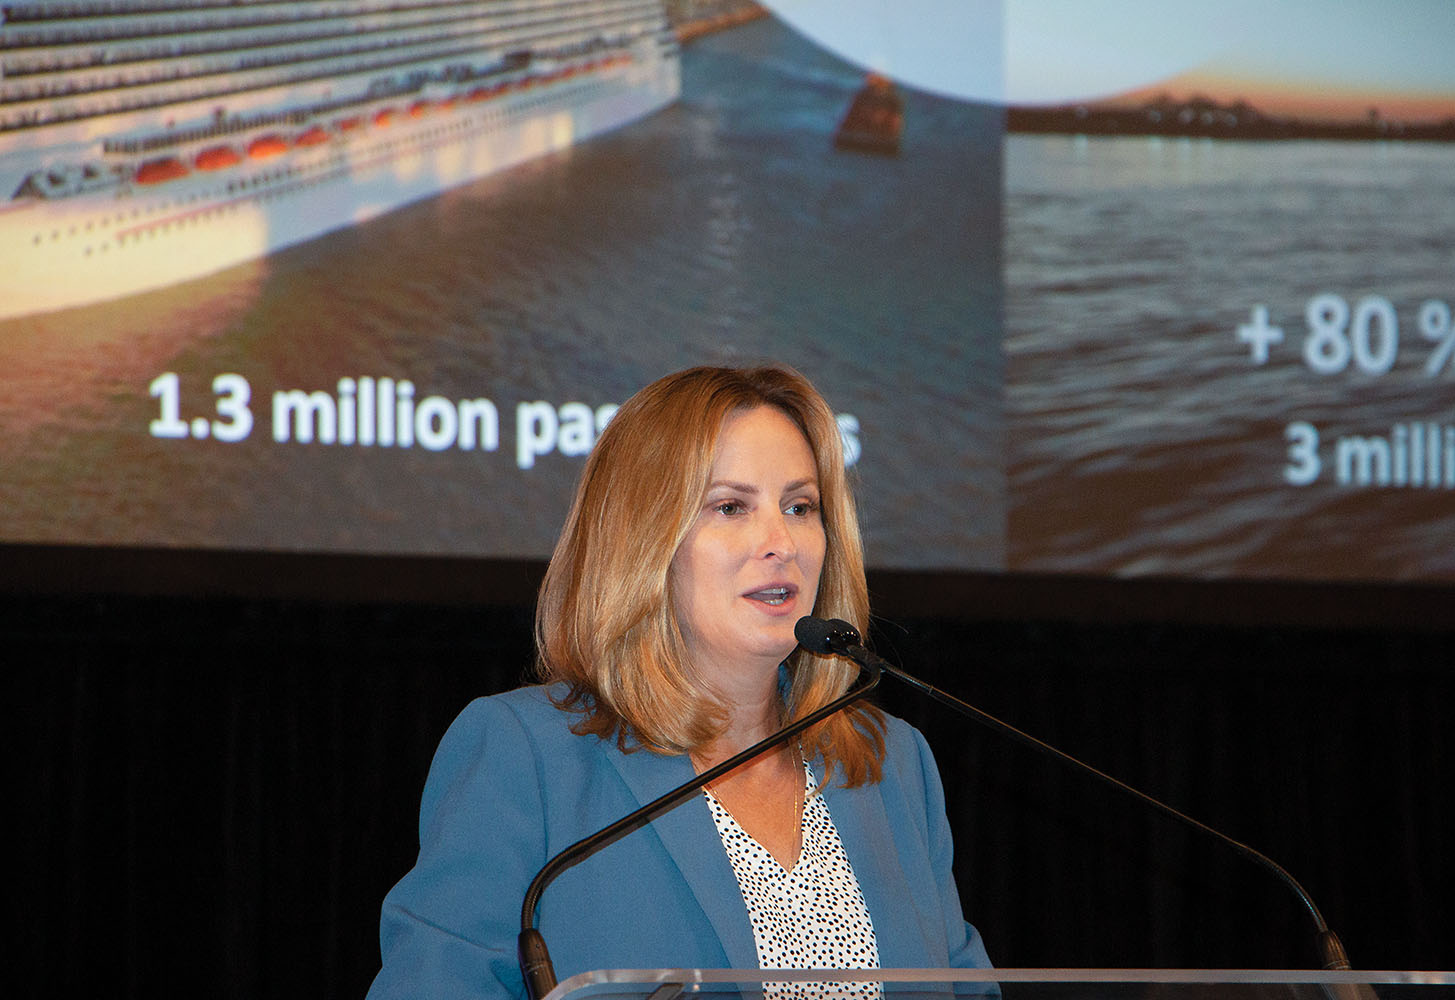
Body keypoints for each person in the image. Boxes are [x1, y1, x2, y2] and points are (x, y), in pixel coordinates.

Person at [367, 365, 991, 1000]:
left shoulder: (892, 764)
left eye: (800, 507)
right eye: (730, 507)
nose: (780, 541)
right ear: (643, 540)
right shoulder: (527, 755)